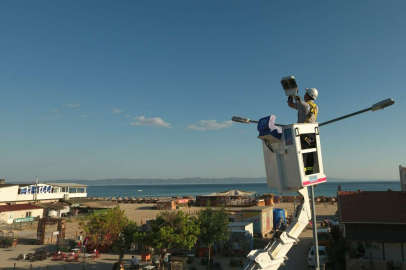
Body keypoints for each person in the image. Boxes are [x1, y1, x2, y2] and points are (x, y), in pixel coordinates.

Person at [287, 87, 319, 174]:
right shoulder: (316, 107)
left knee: (301, 155)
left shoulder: (303, 104)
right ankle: (309, 173)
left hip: (303, 134)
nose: (304, 94)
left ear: (308, 95)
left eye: (306, 93)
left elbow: (290, 104)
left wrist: (290, 95)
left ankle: (301, 173)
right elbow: (304, 110)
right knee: (309, 156)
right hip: (312, 135)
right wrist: (299, 101)